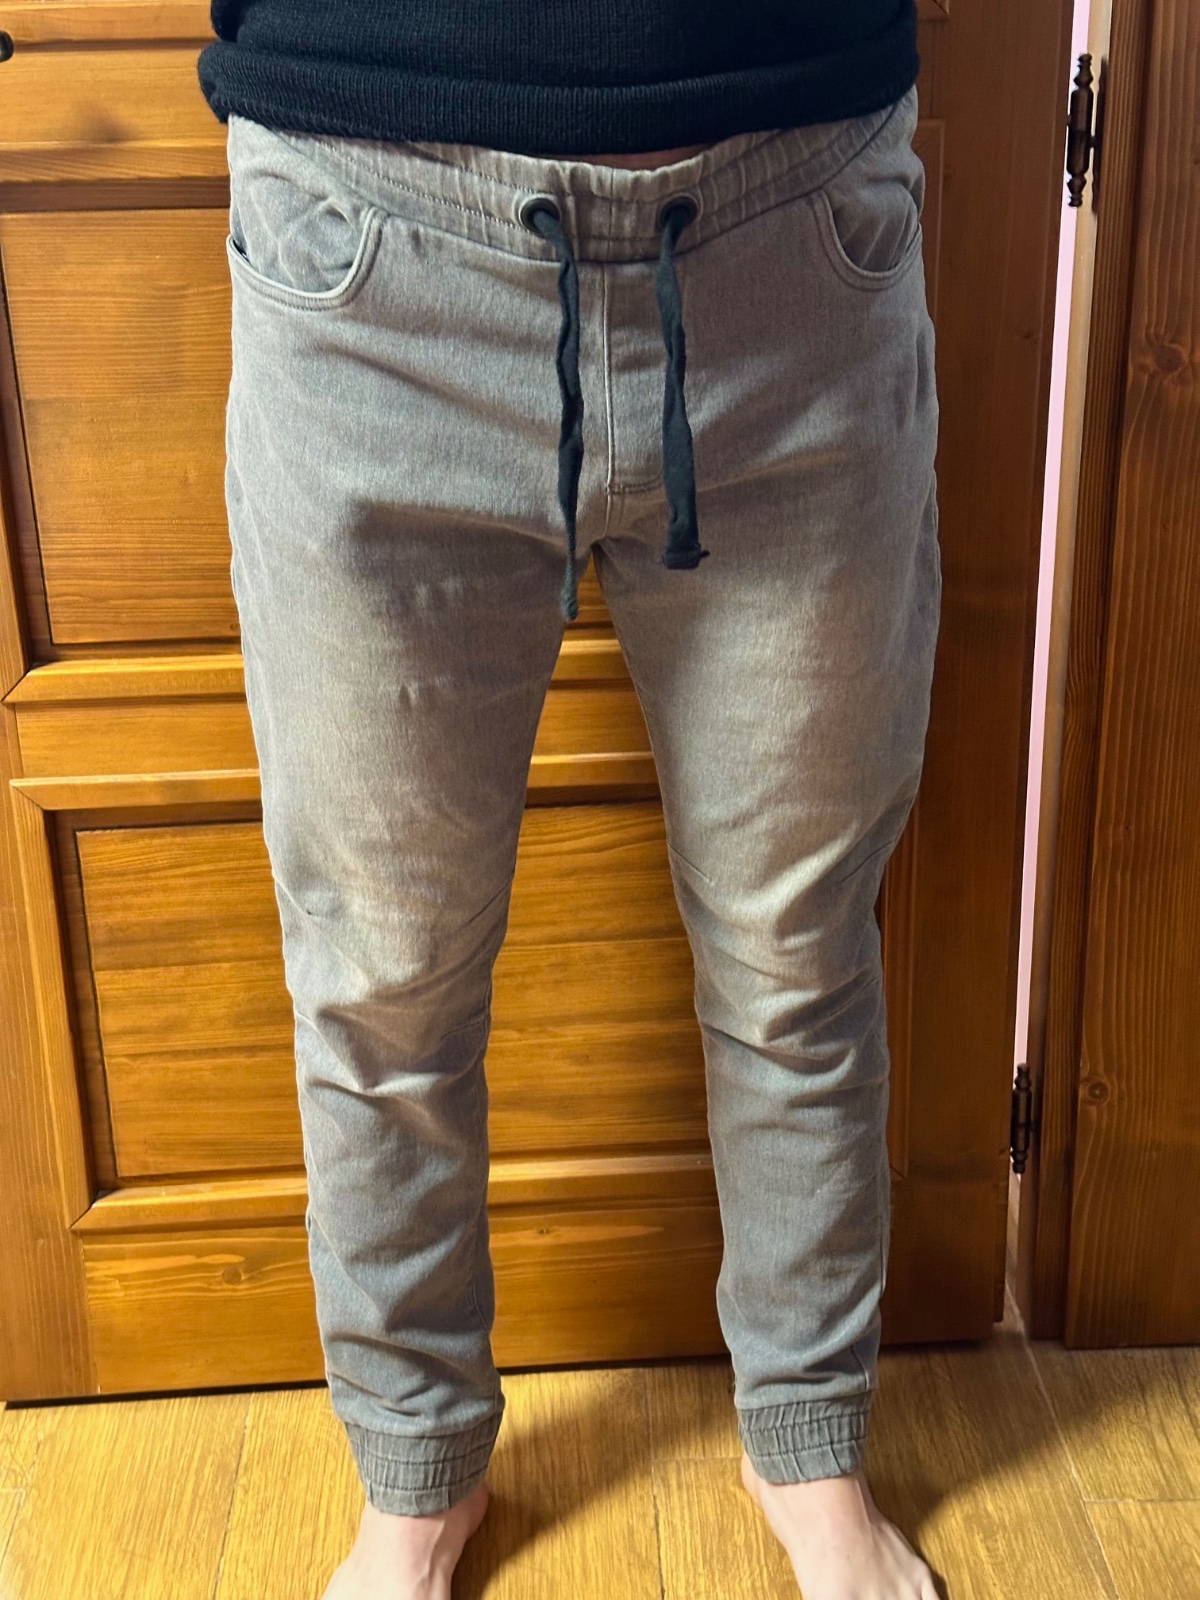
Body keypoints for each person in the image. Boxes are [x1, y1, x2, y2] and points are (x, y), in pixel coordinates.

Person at [198, 4, 943, 1597]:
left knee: (797, 954)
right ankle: (415, 1474)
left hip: (797, 237)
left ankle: (809, 1444)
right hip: (365, 252)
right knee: (381, 978)